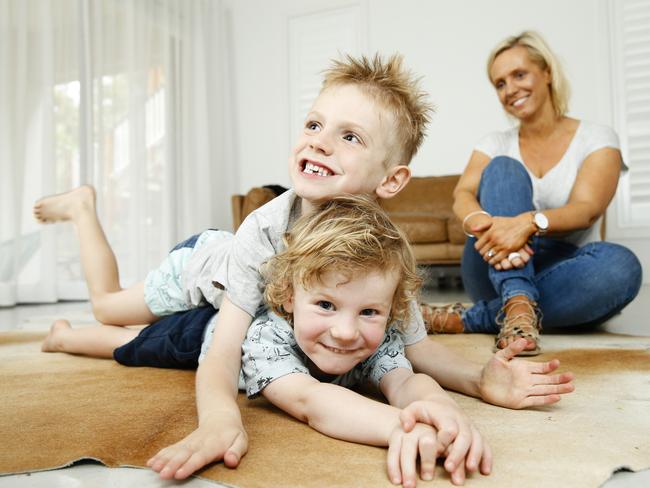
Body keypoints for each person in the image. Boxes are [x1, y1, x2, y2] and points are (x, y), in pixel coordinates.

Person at [34, 53, 574, 483]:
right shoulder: (264, 232)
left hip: (267, 306)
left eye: (350, 136)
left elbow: (414, 349)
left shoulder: (381, 251)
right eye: (315, 123)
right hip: (207, 271)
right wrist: (222, 418)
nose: (319, 139)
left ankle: (81, 330)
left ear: (390, 179)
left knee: (172, 337)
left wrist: (479, 385)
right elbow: (224, 350)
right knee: (126, 314)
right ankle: (82, 215)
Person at [43, 195, 492, 487]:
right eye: (326, 306)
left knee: (137, 335)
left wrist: (443, 415)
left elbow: (407, 381)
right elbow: (310, 400)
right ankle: (65, 329)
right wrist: (399, 428)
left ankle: (72, 331)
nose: (346, 331)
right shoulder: (266, 334)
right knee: (133, 336)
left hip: (241, 294)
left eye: (369, 312)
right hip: (204, 277)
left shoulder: (375, 332)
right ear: (289, 297)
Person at [421, 31, 642, 355]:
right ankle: (516, 298)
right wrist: (488, 224)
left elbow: (586, 209)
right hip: (492, 260)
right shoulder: (495, 143)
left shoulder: (595, 138)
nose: (510, 90)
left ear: (547, 72)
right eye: (500, 83)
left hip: (564, 269)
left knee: (622, 267)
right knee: (503, 168)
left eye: (519, 75)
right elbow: (463, 194)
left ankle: (481, 316)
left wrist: (527, 223)